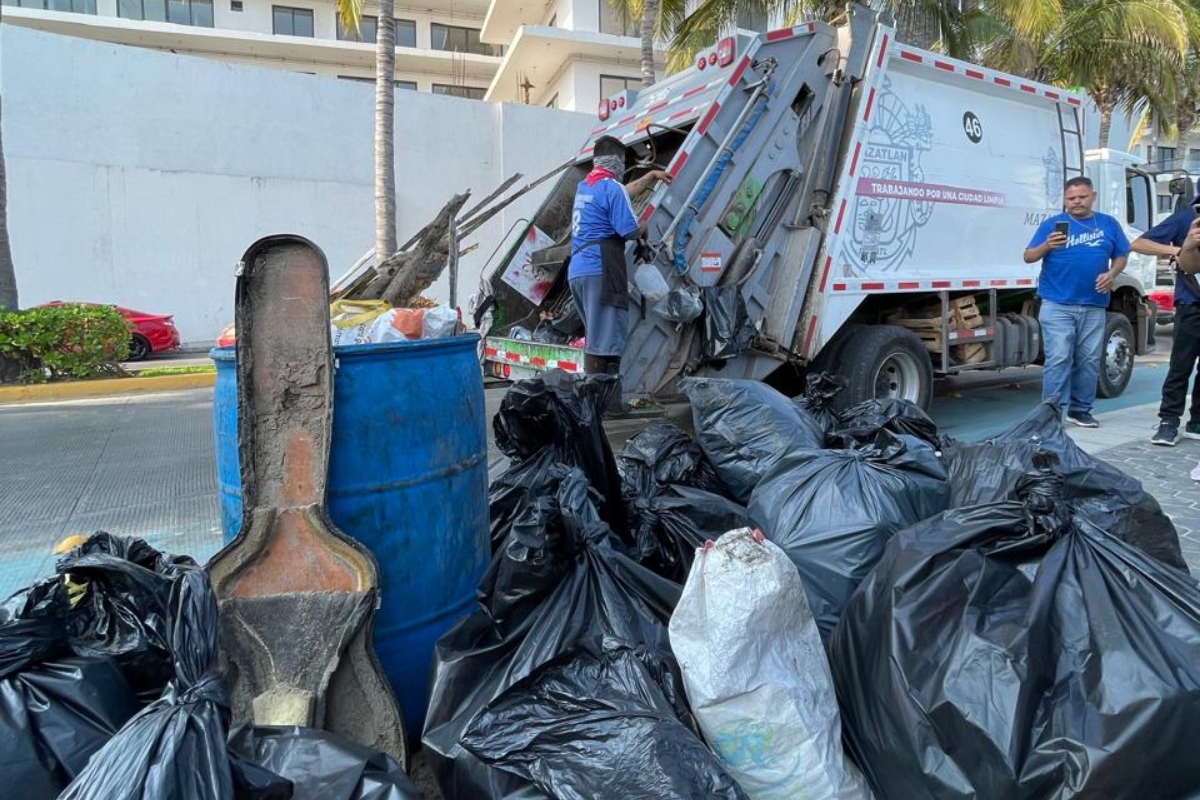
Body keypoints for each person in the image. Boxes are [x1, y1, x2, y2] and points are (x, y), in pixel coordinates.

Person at [568, 135, 671, 412]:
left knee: (596, 337)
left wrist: (649, 177)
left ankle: (594, 405)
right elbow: (629, 229)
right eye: (623, 161)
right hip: (601, 270)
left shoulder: (586, 186)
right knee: (607, 339)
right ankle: (607, 405)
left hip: (578, 271)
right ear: (617, 161)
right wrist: (644, 226)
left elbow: (619, 194)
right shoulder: (611, 188)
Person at [1023, 176, 1130, 428]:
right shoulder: (1052, 225)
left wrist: (1112, 273)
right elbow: (1028, 256)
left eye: (1082, 196)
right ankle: (1051, 416)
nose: (1077, 201)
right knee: (1059, 359)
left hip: (1094, 304)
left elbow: (1122, 253)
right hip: (1057, 304)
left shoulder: (1108, 224)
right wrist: (1047, 245)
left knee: (1089, 360)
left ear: (1093, 196)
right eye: (1071, 198)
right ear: (1064, 200)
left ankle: (1080, 410)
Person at [1132, 196, 1200, 446]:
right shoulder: (1187, 217)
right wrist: (1178, 250)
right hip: (1191, 304)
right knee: (1181, 365)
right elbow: (1138, 243)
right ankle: (1168, 421)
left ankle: (1196, 421)